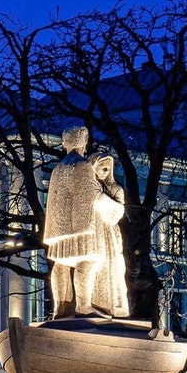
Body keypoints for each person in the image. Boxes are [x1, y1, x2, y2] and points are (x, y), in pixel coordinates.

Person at [43, 126, 129, 319]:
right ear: (84, 141)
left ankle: (61, 308)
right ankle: (83, 306)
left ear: (65, 143)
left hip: (59, 227)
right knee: (88, 261)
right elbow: (93, 195)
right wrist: (115, 209)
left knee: (60, 264)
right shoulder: (82, 165)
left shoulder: (58, 168)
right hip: (81, 226)